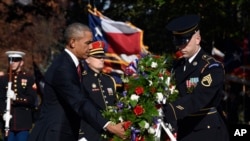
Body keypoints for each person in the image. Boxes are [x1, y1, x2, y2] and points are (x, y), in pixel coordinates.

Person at [28, 23, 125, 141]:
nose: (90, 47)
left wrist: (113, 119)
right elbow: (79, 101)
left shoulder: (73, 66)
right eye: (87, 43)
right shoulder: (63, 68)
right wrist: (109, 126)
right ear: (73, 42)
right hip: (54, 134)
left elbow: (87, 99)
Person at [162, 15, 230, 141]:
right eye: (178, 42)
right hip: (184, 129)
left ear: (197, 39)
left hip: (206, 131)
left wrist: (169, 110)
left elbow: (197, 98)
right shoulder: (177, 66)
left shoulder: (211, 67)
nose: (180, 47)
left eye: (184, 42)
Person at [78, 41, 118, 141]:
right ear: (87, 59)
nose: (101, 59)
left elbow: (116, 105)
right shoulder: (82, 80)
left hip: (110, 134)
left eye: (102, 56)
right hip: (90, 135)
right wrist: (80, 135)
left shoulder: (109, 80)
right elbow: (78, 109)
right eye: (97, 56)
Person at [0, 51, 37, 141]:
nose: (12, 63)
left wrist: (16, 98)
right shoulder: (3, 79)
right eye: (10, 60)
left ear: (21, 62)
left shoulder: (28, 78)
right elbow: (0, 99)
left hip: (23, 122)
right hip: (7, 122)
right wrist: (3, 113)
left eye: (15, 60)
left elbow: (32, 100)